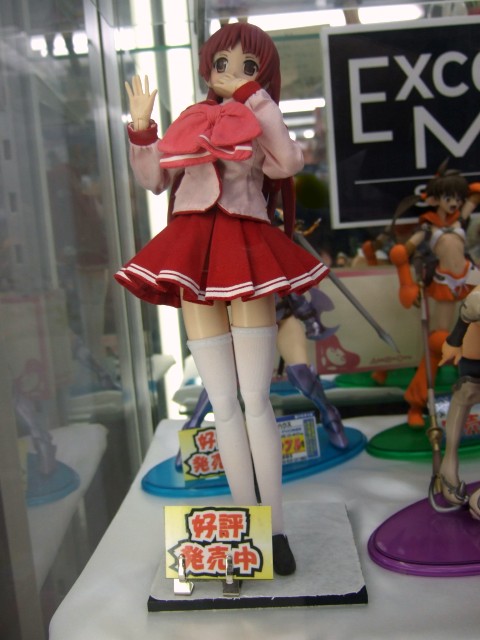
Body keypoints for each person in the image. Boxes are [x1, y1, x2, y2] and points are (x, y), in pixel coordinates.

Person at [115, 22, 329, 575]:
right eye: (223, 63)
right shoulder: (189, 118)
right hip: (192, 250)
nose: (232, 73)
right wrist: (140, 128)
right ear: (206, 66)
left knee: (256, 400)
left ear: (263, 77)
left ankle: (275, 531)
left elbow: (289, 162)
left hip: (245, 247)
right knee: (224, 403)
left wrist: (256, 100)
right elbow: (154, 179)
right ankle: (248, 527)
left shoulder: (258, 119)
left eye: (248, 67)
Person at [389, 166, 480, 427]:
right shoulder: (428, 225)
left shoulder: (460, 218)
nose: (454, 203)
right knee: (438, 341)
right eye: (449, 197)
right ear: (434, 199)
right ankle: (416, 402)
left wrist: (464, 187)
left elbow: (475, 197)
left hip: (470, 275)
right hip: (445, 282)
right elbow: (401, 254)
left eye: (458, 198)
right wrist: (406, 283)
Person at [430, 278, 480, 519]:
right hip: (474, 358)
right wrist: (454, 340)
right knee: (465, 394)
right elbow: (471, 307)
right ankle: (448, 467)